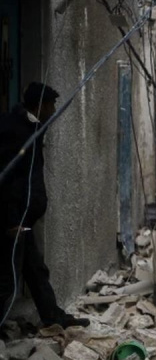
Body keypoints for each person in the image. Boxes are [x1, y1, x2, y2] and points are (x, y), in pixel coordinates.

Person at [0, 83, 90, 328]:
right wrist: (11, 221)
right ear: (40, 106)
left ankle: (53, 317)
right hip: (14, 221)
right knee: (7, 279)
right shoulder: (16, 131)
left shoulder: (32, 127)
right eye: (51, 105)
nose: (53, 110)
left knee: (36, 270)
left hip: (24, 218)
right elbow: (8, 180)